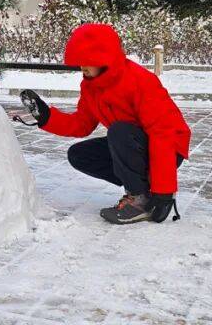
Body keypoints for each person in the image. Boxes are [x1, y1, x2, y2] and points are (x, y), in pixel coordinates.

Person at [17, 23, 191, 225]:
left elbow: (163, 133)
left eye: (87, 61)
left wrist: (164, 192)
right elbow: (82, 124)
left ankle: (140, 199)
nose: (82, 67)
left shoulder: (140, 81)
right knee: (80, 155)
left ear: (104, 58)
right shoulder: (91, 85)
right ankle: (141, 189)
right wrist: (47, 117)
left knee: (119, 131)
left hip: (168, 149)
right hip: (134, 144)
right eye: (80, 62)